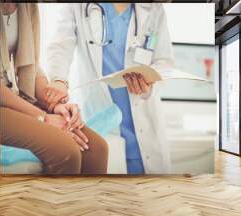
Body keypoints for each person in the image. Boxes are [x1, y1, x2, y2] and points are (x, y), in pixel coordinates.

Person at [46, 3, 174, 174]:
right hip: (99, 115)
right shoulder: (77, 6)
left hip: (144, 121)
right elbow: (60, 46)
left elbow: (164, 61)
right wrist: (59, 80)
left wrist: (149, 79)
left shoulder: (153, 8)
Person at [0, 3, 108, 174]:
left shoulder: (27, 7)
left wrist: (54, 104)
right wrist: (44, 117)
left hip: (14, 96)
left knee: (97, 149)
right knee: (66, 151)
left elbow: (32, 67)